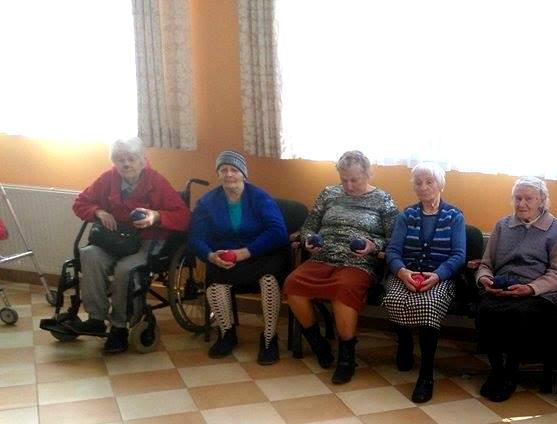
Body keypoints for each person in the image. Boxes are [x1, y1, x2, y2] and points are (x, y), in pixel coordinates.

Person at [284, 150, 398, 384]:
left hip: (359, 262)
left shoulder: (383, 200)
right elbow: (308, 227)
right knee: (292, 284)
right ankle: (318, 343)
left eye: (354, 180)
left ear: (368, 174)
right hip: (322, 258)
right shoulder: (328, 193)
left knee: (343, 289)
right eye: (344, 180)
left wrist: (372, 246)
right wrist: (308, 240)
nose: (349, 186)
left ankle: (347, 356)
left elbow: (395, 239)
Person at [70, 137, 190, 353]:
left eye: (131, 159)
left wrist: (155, 216)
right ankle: (96, 318)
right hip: (115, 240)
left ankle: (119, 326)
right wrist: (98, 211)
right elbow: (81, 202)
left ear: (142, 160)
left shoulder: (156, 182)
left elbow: (183, 216)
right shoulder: (108, 178)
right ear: (114, 161)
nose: (125, 164)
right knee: (89, 255)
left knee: (125, 269)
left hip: (147, 240)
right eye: (120, 159)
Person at [188, 150, 288, 364]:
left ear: (244, 173)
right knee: (215, 282)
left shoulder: (259, 197)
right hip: (225, 257)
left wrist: (245, 252)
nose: (229, 174)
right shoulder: (207, 202)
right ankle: (227, 333)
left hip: (261, 254)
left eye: (234, 169)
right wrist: (210, 256)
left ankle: (269, 338)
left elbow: (278, 232)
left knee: (269, 281)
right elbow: (196, 237)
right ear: (218, 174)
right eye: (223, 170)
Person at [474, 177, 557, 402]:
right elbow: (486, 264)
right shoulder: (502, 225)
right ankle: (497, 369)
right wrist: (485, 279)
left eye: (528, 199)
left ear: (542, 200)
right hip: (502, 286)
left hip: (537, 291)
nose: (522, 203)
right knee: (485, 310)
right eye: (518, 198)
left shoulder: (556, 228)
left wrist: (530, 288)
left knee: (519, 314)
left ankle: (511, 372)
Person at [384, 162, 466, 403]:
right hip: (406, 272)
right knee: (394, 299)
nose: (423, 187)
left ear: (440, 185)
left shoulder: (454, 216)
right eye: (418, 183)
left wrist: (438, 275)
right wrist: (402, 273)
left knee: (428, 305)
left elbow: (459, 255)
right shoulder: (406, 216)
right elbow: (393, 251)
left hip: (440, 276)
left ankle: (426, 374)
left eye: (429, 182)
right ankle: (405, 341)